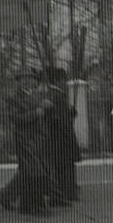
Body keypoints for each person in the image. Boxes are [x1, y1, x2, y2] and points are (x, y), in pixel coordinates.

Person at [7, 70, 52, 215]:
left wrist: (48, 107)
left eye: (30, 78)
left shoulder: (35, 96)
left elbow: (44, 113)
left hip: (38, 139)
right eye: (23, 79)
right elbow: (15, 118)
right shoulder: (14, 98)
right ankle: (37, 205)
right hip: (24, 140)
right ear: (18, 82)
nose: (27, 81)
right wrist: (36, 113)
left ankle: (26, 206)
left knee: (30, 173)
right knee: (34, 172)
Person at [45, 67, 80, 204]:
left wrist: (71, 113)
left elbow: (62, 116)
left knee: (63, 167)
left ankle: (65, 194)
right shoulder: (56, 95)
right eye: (63, 80)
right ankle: (64, 195)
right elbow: (58, 118)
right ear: (58, 80)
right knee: (64, 167)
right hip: (61, 138)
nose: (65, 83)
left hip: (59, 138)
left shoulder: (55, 94)